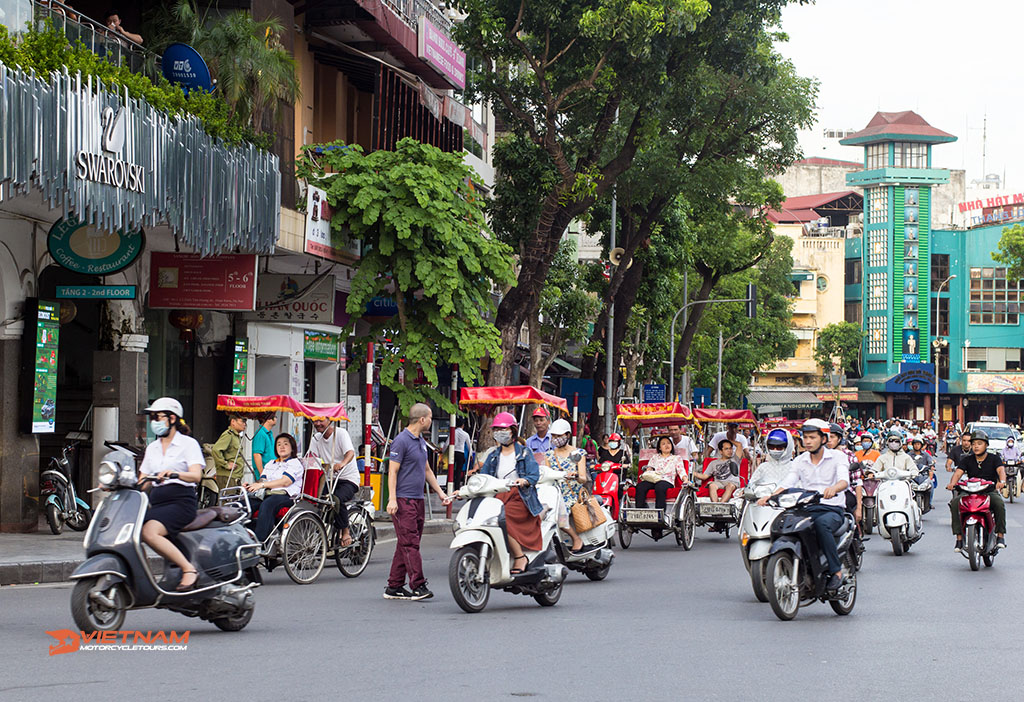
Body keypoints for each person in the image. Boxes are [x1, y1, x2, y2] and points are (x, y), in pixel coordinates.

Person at [758, 419, 850, 591]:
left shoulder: (838, 457)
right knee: (784, 523)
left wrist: (834, 488)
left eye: (812, 437)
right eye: (805, 437)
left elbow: (844, 480)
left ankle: (836, 571)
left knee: (822, 525)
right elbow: (788, 481)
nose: (807, 441)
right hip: (806, 508)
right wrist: (770, 496)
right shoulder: (800, 460)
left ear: (824, 438)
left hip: (831, 508)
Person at [385, 404, 451, 601]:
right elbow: (392, 472)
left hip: (418, 499)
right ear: (422, 419)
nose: (431, 421)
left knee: (406, 544)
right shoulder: (401, 441)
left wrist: (440, 493)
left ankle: (394, 586)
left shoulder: (421, 441)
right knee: (410, 544)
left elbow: (427, 470)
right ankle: (418, 585)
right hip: (404, 500)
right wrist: (392, 498)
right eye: (430, 418)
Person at [138, 398, 204, 591]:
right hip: (157, 503)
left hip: (181, 502)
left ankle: (189, 569)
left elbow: (196, 476)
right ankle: (143, 578)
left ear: (172, 418)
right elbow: (143, 480)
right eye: (152, 417)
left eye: (158, 417)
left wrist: (174, 474)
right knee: (130, 530)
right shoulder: (152, 447)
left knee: (149, 532)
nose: (154, 422)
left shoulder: (187, 444)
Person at [479, 412, 544, 576]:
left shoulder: (524, 452)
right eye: (496, 429)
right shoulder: (493, 455)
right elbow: (484, 477)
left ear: (513, 431)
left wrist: (524, 481)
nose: (499, 432)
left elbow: (534, 475)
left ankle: (519, 556)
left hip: (519, 497)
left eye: (504, 429)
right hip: (497, 497)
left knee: (502, 520)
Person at [946, 430, 1007, 552]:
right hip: (970, 490)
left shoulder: (994, 458)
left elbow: (1001, 471)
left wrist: (1002, 482)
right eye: (973, 444)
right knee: (955, 503)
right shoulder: (967, 460)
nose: (976, 446)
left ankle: (1000, 536)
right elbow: (958, 473)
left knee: (999, 504)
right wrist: (952, 484)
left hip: (989, 490)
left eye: (979, 443)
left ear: (986, 445)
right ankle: (958, 538)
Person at [310, 417, 360, 548]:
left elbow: (350, 453)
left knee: (336, 499)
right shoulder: (316, 438)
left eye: (321, 421)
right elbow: (312, 457)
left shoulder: (341, 433)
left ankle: (345, 531)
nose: (318, 424)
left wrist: (342, 463)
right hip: (329, 478)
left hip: (348, 479)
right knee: (316, 501)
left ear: (330, 421)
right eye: (315, 421)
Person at [244, 434, 303, 543]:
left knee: (267, 504)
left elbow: (285, 482)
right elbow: (262, 481)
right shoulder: (271, 463)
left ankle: (260, 542)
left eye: (286, 444)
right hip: (266, 494)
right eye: (279, 444)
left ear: (292, 448)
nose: (282, 447)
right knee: (243, 504)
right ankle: (242, 537)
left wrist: (262, 485)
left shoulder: (295, 463)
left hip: (287, 496)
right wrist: (251, 486)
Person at [544, 419, 589, 552]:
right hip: (554, 492)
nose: (556, 439)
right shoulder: (549, 455)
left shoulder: (578, 453)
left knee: (557, 513)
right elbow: (546, 474)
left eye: (559, 436)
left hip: (572, 494)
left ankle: (576, 538)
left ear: (567, 435)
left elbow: (583, 478)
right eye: (554, 436)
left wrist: (574, 475)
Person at [637, 436, 689, 537]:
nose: (667, 445)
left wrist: (685, 479)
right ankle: (640, 512)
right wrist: (648, 471)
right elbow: (649, 469)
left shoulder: (676, 458)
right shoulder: (655, 457)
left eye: (668, 443)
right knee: (640, 487)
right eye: (663, 444)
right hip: (653, 478)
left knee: (659, 487)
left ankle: (659, 518)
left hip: (667, 480)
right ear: (659, 447)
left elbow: (681, 471)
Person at [211, 413, 249, 487]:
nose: (244, 424)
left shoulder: (236, 437)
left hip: (235, 476)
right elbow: (215, 450)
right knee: (228, 497)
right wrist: (226, 464)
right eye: (242, 421)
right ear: (233, 422)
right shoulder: (228, 435)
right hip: (228, 476)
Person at [908, 437, 935, 510]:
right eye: (915, 444)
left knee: (931, 485)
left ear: (921, 445)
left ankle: (929, 503)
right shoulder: (909, 455)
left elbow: (931, 463)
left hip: (923, 475)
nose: (917, 446)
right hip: (912, 475)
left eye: (918, 444)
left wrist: (931, 467)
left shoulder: (926, 455)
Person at [250, 412, 277, 481]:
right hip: (265, 475)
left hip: (272, 473)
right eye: (274, 416)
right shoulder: (260, 434)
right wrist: (262, 474)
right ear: (268, 419)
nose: (276, 418)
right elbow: (257, 455)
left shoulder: (268, 433)